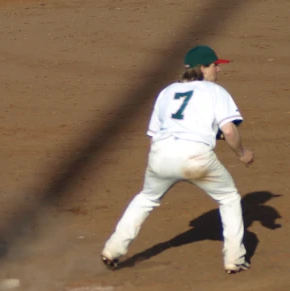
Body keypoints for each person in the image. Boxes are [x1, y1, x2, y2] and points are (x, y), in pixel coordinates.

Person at [101, 45, 255, 275]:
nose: (218, 71)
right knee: (229, 197)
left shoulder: (166, 92)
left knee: (146, 197)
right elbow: (230, 131)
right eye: (215, 65)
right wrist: (243, 154)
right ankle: (234, 258)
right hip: (195, 156)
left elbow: (153, 135)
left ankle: (112, 249)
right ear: (203, 68)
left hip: (160, 153)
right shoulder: (216, 92)